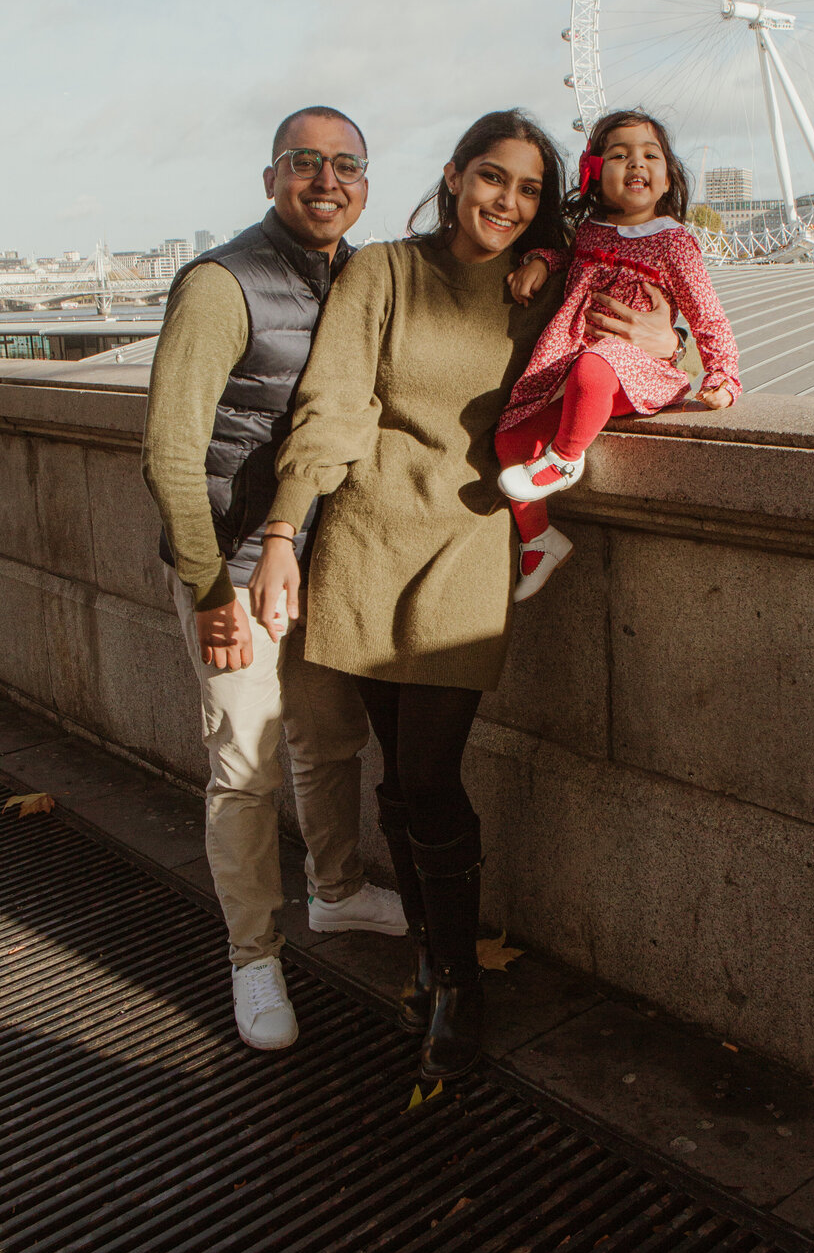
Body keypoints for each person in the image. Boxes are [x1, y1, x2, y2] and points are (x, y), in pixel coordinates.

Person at [246, 108, 681, 1081]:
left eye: (528, 190)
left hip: (467, 550)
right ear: (453, 176)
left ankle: (458, 982)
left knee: (432, 775)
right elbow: (335, 405)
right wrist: (284, 531)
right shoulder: (383, 273)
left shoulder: (550, 283)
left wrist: (664, 333)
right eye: (493, 179)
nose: (507, 202)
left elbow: (657, 365)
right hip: (363, 545)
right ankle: (437, 959)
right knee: (397, 774)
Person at [142, 106, 406, 1054]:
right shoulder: (222, 284)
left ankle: (334, 894)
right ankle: (254, 957)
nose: (326, 180)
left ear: (365, 185)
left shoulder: (363, 274)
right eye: (305, 162)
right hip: (236, 568)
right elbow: (171, 456)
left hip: (324, 564)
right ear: (269, 179)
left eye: (346, 165)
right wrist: (212, 590)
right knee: (244, 772)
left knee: (330, 742)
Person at [495, 109, 740, 600]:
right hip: (574, 363)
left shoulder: (674, 243)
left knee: (596, 365)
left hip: (634, 369)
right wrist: (543, 259)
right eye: (619, 155)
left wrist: (723, 376)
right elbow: (571, 259)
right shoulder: (590, 232)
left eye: (651, 155)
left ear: (667, 174)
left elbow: (707, 313)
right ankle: (539, 539)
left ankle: (566, 458)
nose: (636, 164)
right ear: (593, 172)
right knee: (511, 437)